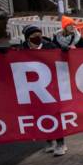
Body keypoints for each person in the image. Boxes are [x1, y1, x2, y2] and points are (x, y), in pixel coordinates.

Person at [17, 25, 69, 156]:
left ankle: (61, 143)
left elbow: (62, 62)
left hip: (50, 87)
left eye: (39, 35)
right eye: (33, 37)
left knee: (53, 113)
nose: (37, 38)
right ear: (28, 39)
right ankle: (49, 141)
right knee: (40, 114)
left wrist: (64, 52)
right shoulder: (22, 49)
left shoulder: (50, 47)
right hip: (32, 88)